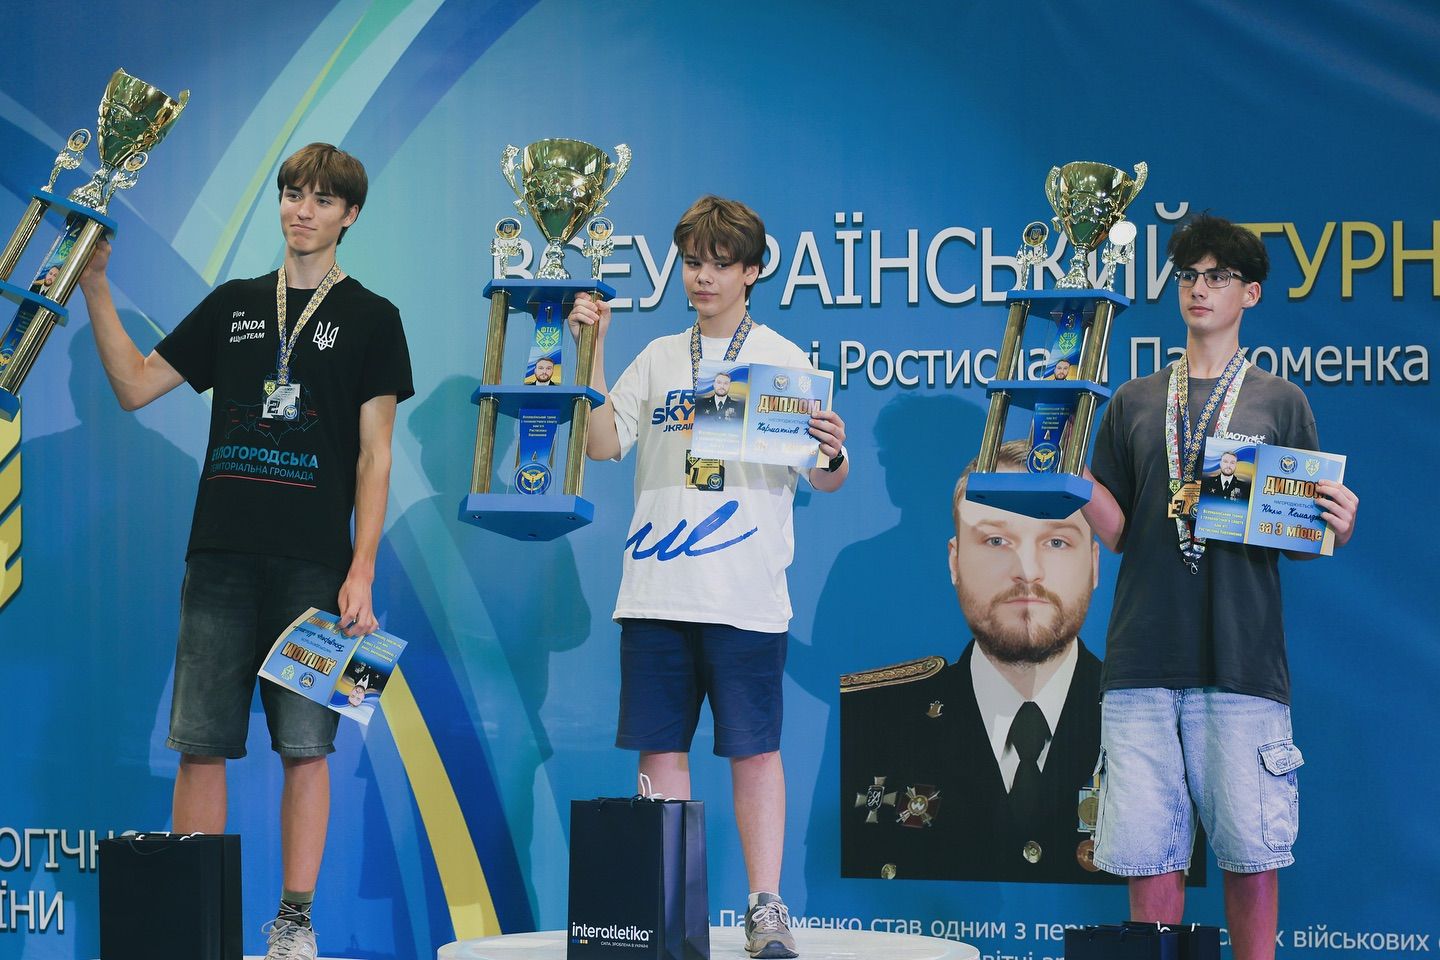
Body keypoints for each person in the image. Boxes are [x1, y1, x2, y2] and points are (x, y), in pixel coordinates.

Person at [78, 142, 414, 960]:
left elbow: (376, 456)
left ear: (350, 215)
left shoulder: (374, 316)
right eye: (293, 193)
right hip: (219, 558)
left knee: (307, 750)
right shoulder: (233, 303)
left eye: (322, 199)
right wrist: (95, 286)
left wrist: (363, 567)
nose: (302, 210)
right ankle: (193, 922)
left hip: (316, 570)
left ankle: (294, 925)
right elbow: (134, 385)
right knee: (200, 744)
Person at [567, 195, 848, 960]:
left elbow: (825, 477)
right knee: (661, 750)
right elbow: (601, 443)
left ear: (751, 271)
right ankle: (668, 909)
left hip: (745, 596)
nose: (702, 277)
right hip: (656, 591)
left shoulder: (784, 362)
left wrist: (831, 448)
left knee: (754, 751)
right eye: (692, 263)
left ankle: (766, 907)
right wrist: (593, 350)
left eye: (720, 265)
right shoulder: (660, 357)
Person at [1081, 213, 1358, 960]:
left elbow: (1304, 536)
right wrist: (1066, 470)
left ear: (1251, 293)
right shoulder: (1135, 400)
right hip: (1142, 656)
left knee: (1251, 854)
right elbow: (1118, 530)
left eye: (1219, 277)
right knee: (1148, 856)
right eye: (1189, 277)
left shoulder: (1279, 401)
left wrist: (1337, 525)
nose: (1200, 289)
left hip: (1240, 658)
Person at [840, 438, 1118, 883]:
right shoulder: (870, 719)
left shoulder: (1148, 726)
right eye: (995, 540)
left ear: (1094, 563)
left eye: (1056, 542)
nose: (1028, 571)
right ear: (955, 561)